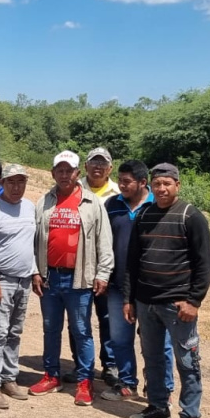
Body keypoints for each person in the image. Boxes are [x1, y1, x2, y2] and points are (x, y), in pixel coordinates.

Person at [123, 163, 210, 418]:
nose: (162, 189)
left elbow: (205, 263)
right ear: (150, 186)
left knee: (187, 361)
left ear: (177, 185)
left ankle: (189, 416)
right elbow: (132, 261)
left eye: (167, 183)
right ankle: (158, 406)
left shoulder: (191, 216)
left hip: (178, 305)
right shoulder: (144, 215)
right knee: (152, 358)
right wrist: (129, 299)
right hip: (146, 301)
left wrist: (194, 301)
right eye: (157, 184)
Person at [28, 150, 113, 408]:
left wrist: (103, 274)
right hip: (50, 278)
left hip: (80, 279)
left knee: (82, 330)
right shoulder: (44, 201)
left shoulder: (92, 203)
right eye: (60, 170)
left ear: (78, 173)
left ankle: (85, 381)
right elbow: (33, 241)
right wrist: (35, 271)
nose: (64, 175)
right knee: (50, 329)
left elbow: (104, 242)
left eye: (69, 170)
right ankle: (51, 375)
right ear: (53, 173)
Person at [101, 160, 175, 402]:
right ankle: (127, 383)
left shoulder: (159, 205)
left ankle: (161, 389)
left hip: (150, 287)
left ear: (143, 182)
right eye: (120, 180)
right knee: (120, 338)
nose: (121, 185)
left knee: (158, 342)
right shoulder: (112, 205)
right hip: (118, 285)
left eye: (127, 181)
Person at [0, 164, 41, 410]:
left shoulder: (30, 207)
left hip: (23, 280)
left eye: (21, 182)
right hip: (1, 280)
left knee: (15, 332)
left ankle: (9, 378)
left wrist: (35, 272)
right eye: (11, 182)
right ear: (2, 183)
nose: (17, 187)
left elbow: (30, 244)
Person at [75, 146, 121, 385]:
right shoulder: (74, 189)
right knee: (79, 319)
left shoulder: (118, 193)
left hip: (106, 266)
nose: (98, 167)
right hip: (78, 266)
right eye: (94, 162)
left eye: (103, 163)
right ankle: (80, 365)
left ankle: (110, 365)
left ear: (110, 168)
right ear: (86, 166)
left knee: (107, 317)